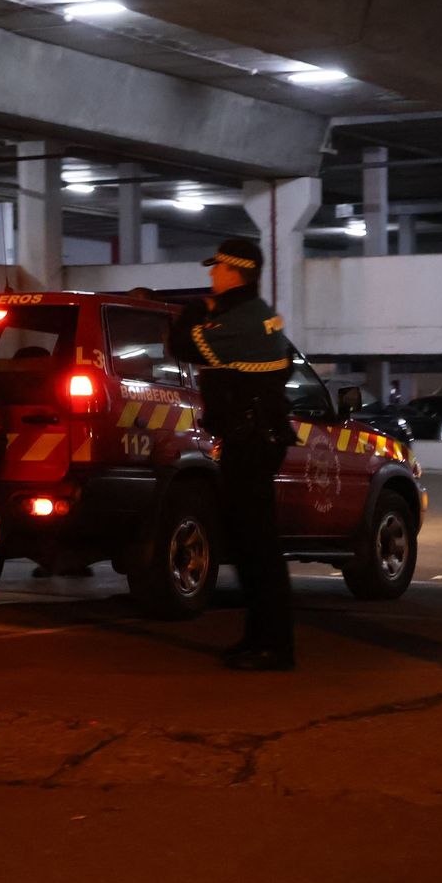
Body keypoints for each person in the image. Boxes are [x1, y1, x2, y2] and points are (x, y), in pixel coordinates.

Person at [170, 237, 297, 671]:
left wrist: (195, 310)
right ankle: (261, 637)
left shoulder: (240, 323)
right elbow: (284, 366)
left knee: (256, 546)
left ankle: (274, 645)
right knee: (250, 543)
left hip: (250, 442)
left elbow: (183, 344)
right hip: (255, 439)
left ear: (235, 272)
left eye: (217, 268)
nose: (211, 274)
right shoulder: (260, 316)